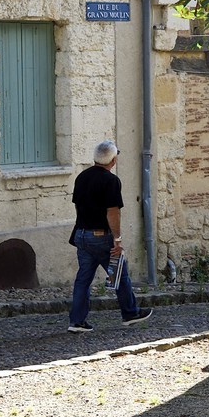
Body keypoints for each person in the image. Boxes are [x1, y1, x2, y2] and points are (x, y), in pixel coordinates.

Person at [68, 140, 152, 333]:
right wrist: (117, 239)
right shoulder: (111, 181)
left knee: (83, 278)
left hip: (81, 234)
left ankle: (77, 321)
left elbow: (78, 205)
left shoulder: (81, 177)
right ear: (113, 160)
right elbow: (113, 212)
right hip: (101, 236)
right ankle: (130, 313)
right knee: (120, 274)